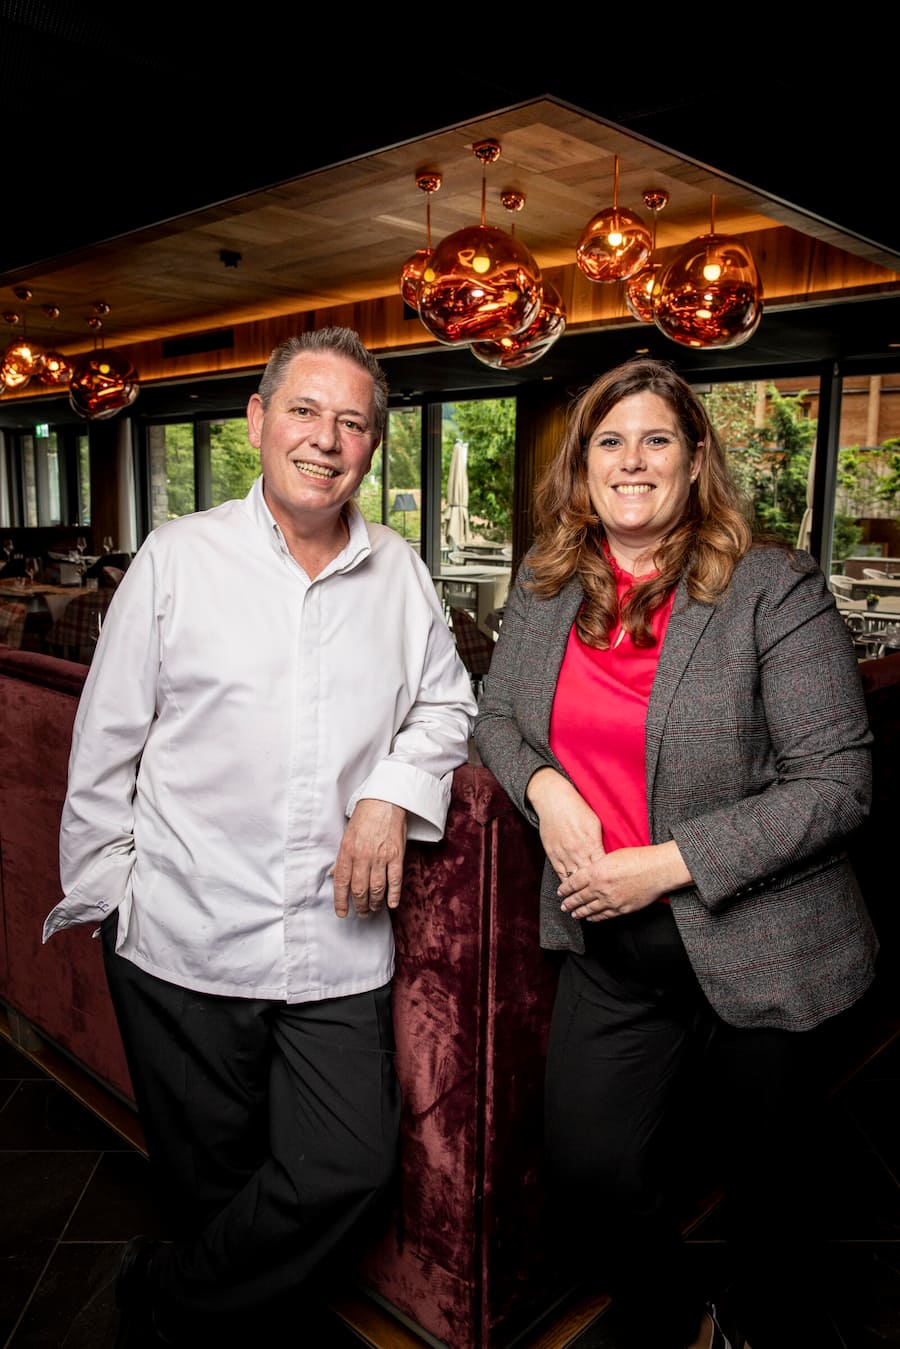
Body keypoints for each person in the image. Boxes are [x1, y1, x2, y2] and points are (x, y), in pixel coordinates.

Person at [43, 326, 477, 1346]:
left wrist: (389, 794)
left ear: (373, 445)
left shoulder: (401, 573)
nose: (326, 438)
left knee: (347, 1165)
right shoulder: (177, 558)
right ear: (258, 422)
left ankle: (165, 1296)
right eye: (305, 411)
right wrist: (114, 899)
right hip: (180, 939)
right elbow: (105, 745)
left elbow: (448, 708)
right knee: (211, 1186)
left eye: (352, 421)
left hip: (336, 944)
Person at [473, 357, 878, 1349]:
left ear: (696, 461)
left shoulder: (769, 587)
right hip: (612, 951)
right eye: (610, 441)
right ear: (582, 467)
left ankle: (760, 1328)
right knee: (589, 1171)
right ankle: (682, 1324)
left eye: (657, 439)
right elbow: (493, 716)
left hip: (760, 940)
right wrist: (544, 785)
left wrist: (657, 865)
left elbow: (838, 783)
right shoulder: (545, 581)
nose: (633, 460)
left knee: (773, 1205)